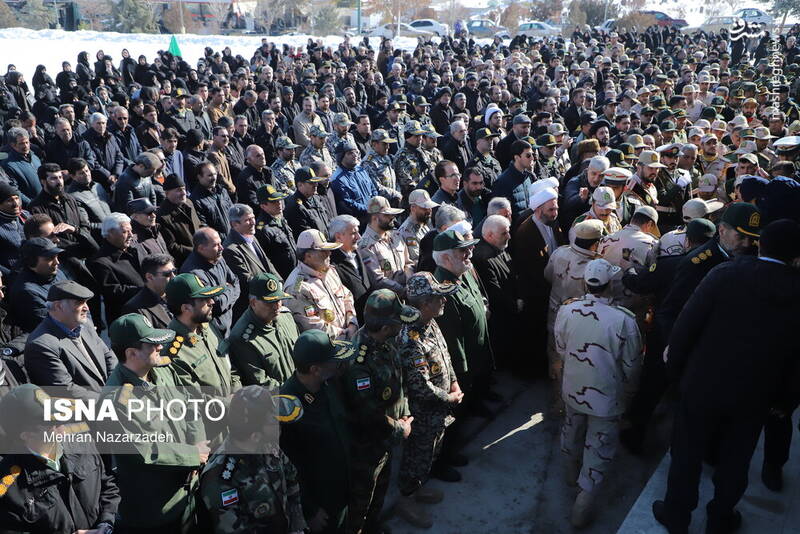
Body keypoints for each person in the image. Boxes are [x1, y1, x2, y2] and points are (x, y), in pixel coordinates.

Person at [653, 219, 800, 534]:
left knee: (687, 454)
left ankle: (677, 516)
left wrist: (676, 374)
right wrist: (785, 402)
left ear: (760, 244)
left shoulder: (726, 274)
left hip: (701, 385)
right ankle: (720, 519)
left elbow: (686, 326)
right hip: (756, 395)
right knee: (736, 459)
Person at [102, 313, 210, 533]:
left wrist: (197, 446)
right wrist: (192, 455)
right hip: (156, 511)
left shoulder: (162, 370)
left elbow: (190, 406)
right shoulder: (115, 400)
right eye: (152, 344)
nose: (160, 347)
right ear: (131, 353)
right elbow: (142, 450)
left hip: (188, 495)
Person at [555, 259, 643, 527]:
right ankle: (582, 504)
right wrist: (630, 392)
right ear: (610, 285)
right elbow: (632, 365)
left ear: (585, 284)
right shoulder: (624, 320)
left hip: (573, 389)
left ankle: (570, 473)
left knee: (571, 430)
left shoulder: (566, 310)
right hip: (606, 399)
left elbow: (561, 349)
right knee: (599, 446)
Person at [340, 290, 417, 534]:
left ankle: (373, 527)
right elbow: (368, 413)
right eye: (397, 322)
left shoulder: (386, 341)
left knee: (380, 491)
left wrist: (404, 413)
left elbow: (398, 381)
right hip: (368, 447)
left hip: (387, 436)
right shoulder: (360, 362)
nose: (401, 326)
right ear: (385, 327)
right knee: (362, 501)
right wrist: (400, 429)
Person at [0, 384, 120, 534]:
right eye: (51, 422)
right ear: (26, 435)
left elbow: (108, 486)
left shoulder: (81, 441)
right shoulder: (8, 487)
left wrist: (105, 525)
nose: (62, 423)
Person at [396, 272, 463, 528]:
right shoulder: (410, 338)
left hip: (439, 409)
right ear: (424, 304)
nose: (443, 301)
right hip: (424, 413)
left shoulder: (430, 322)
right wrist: (450, 397)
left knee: (430, 454)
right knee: (417, 457)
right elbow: (420, 387)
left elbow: (445, 356)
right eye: (438, 298)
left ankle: (418, 487)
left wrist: (454, 382)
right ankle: (406, 499)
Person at [199, 385, 307, 534]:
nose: (279, 424)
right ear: (255, 436)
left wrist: (297, 526)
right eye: (273, 422)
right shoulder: (220, 479)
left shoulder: (268, 446)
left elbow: (291, 478)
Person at [279, 329, 355, 534]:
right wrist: (310, 510)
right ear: (315, 369)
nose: (337, 363)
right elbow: (288, 467)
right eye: (332, 360)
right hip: (322, 501)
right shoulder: (287, 408)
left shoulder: (327, 383)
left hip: (344, 484)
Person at [163, 273, 240, 441]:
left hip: (236, 425)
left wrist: (238, 393)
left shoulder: (207, 326)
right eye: (204, 300)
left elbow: (229, 366)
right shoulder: (173, 352)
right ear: (186, 308)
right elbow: (192, 401)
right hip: (214, 438)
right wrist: (232, 403)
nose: (212, 302)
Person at [544, 219, 605, 403]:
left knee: (555, 357)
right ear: (595, 243)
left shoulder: (559, 252)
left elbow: (547, 276)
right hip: (581, 323)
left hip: (555, 315)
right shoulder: (595, 266)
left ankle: (556, 397)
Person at [23, 280, 116, 399]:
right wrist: (108, 401)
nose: (87, 308)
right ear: (58, 306)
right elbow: (64, 390)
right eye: (79, 303)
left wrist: (114, 388)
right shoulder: (41, 345)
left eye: (86, 302)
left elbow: (108, 356)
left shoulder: (86, 325)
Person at [512, 184, 567, 375]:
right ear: (538, 210)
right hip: (537, 291)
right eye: (551, 209)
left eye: (556, 208)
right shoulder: (525, 233)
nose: (555, 213)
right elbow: (530, 270)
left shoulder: (552, 222)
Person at [221, 273, 299, 388]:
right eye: (270, 302)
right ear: (253, 303)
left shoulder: (286, 316)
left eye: (279, 300)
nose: (276, 306)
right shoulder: (243, 339)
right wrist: (294, 389)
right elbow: (261, 382)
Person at [284, 229, 357, 340]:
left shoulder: (329, 271)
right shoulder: (297, 288)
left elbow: (347, 296)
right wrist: (346, 334)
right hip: (330, 346)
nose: (329, 253)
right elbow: (312, 326)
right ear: (308, 256)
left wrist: (352, 323)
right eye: (323, 251)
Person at [179, 227, 241, 337]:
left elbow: (236, 282)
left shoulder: (218, 258)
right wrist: (228, 288)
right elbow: (217, 305)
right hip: (215, 332)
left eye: (220, 243)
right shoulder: (193, 274)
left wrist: (226, 293)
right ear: (201, 248)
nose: (221, 247)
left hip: (230, 324)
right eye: (216, 245)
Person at [87, 212, 144, 327]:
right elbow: (112, 292)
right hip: (127, 322)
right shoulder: (100, 262)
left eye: (131, 230)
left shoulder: (133, 251)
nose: (131, 235)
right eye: (125, 232)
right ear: (110, 234)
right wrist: (145, 290)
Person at [222, 203, 278, 317]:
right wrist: (273, 288)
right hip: (255, 307)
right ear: (235, 224)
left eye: (253, 218)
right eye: (247, 220)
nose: (253, 222)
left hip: (270, 296)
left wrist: (279, 283)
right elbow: (247, 280)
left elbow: (267, 263)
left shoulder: (250, 237)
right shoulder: (230, 249)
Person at [7, 237, 69, 332]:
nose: (57, 262)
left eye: (56, 257)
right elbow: (52, 325)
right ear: (32, 261)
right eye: (50, 258)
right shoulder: (25, 292)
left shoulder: (57, 273)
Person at [358, 196, 413, 295]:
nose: (392, 217)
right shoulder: (365, 246)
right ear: (374, 218)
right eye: (387, 215)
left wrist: (410, 279)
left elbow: (408, 263)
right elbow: (377, 280)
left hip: (408, 291)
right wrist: (403, 291)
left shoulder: (396, 236)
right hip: (389, 298)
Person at [157, 173, 203, 266]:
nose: (184, 193)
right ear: (167, 193)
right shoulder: (163, 217)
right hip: (186, 263)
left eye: (184, 189)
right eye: (178, 190)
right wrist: (197, 251)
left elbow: (198, 224)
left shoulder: (189, 203)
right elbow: (172, 246)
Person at [121, 253, 176, 329]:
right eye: (167, 274)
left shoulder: (179, 294)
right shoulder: (135, 309)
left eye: (174, 271)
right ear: (149, 277)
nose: (174, 277)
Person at [285, 166, 332, 238]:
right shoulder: (295, 207)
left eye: (316, 182)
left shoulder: (316, 198)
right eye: (311, 183)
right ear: (300, 185)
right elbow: (306, 236)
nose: (316, 185)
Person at [396, 189, 438, 265]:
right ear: (413, 208)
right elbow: (417, 259)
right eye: (424, 208)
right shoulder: (407, 231)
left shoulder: (423, 224)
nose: (429, 211)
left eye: (430, 207)